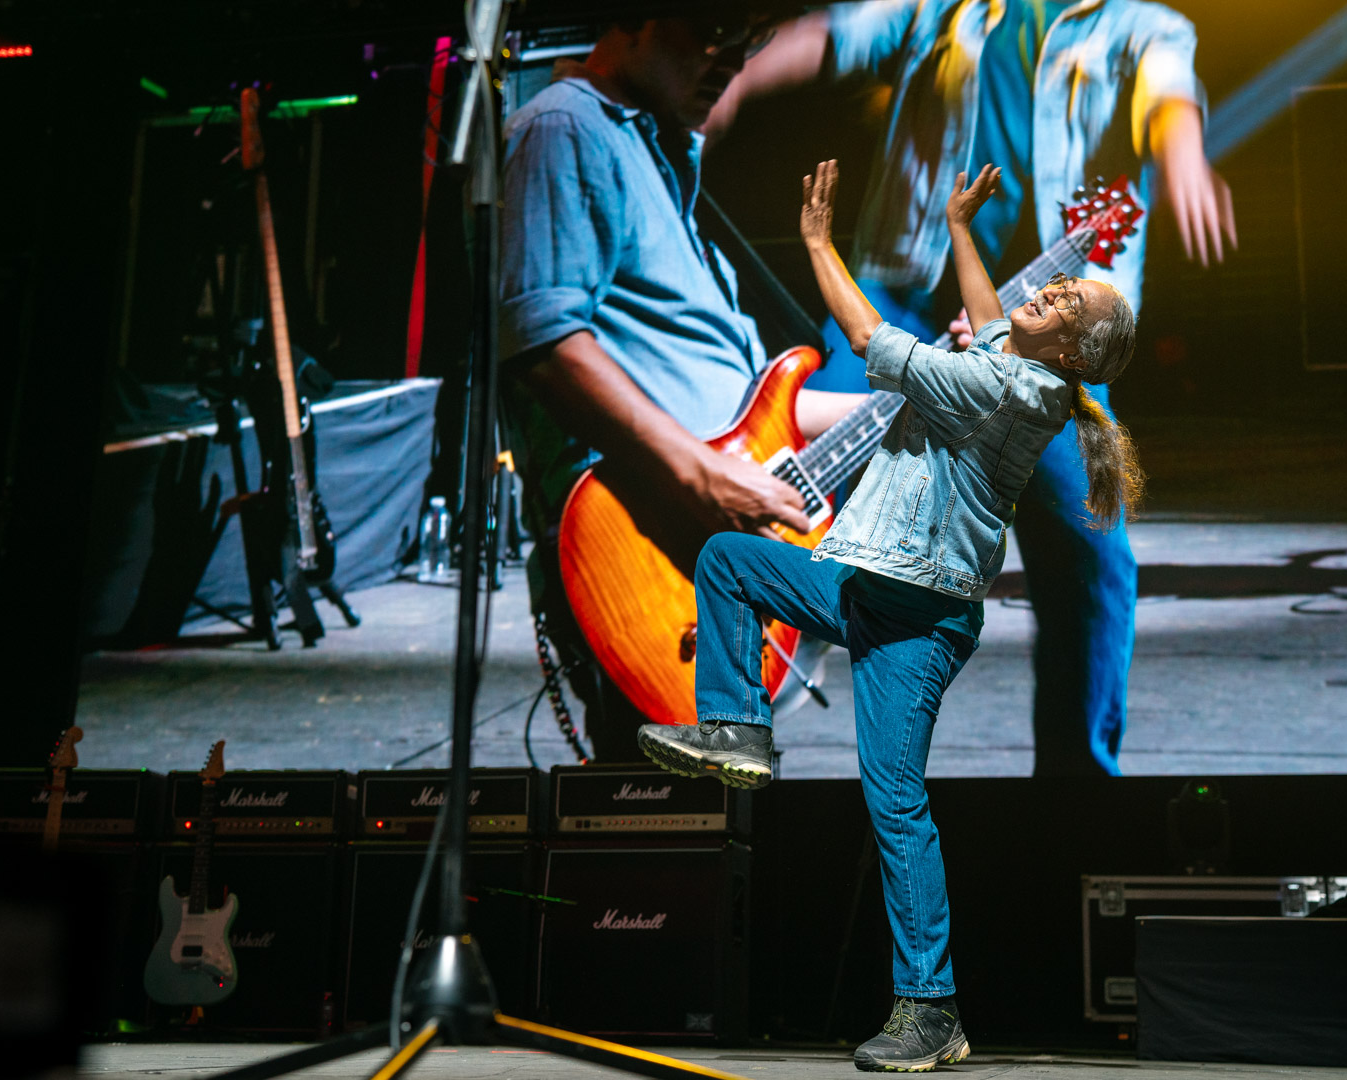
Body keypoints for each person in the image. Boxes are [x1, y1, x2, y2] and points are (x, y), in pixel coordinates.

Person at [639, 159, 1142, 1072]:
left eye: (1065, 303)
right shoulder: (1007, 360)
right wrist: (958, 226)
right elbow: (993, 316)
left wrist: (820, 245)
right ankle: (740, 731)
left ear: (1073, 355)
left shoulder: (1013, 390)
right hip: (868, 584)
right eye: (1058, 286)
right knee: (729, 559)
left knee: (896, 807)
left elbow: (872, 338)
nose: (1049, 291)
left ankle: (930, 1010)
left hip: (918, 619)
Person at [705, 0, 1236, 774]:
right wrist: (742, 79)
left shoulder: (1140, 26)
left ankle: (1078, 788)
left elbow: (1169, 98)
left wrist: (1183, 153)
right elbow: (829, 36)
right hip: (907, 296)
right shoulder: (939, 8)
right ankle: (717, 712)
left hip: (1042, 343)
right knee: (779, 463)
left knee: (1091, 556)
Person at [498, 11, 865, 761]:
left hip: (696, 541)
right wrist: (701, 478)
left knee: (704, 837)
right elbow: (546, 344)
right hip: (640, 540)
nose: (733, 60)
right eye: (714, 30)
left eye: (751, 41)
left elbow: (758, 411)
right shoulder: (565, 129)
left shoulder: (660, 155)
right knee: (656, 832)